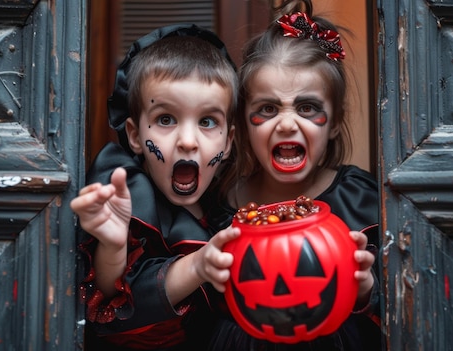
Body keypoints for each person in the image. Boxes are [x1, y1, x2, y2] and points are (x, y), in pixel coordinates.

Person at [209, 0, 383, 349]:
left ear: (334, 123)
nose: (287, 124)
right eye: (268, 109)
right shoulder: (216, 205)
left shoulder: (360, 201)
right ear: (245, 123)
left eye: (306, 108)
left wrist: (367, 290)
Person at [71, 24, 242, 350]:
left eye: (207, 122)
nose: (188, 141)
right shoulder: (128, 198)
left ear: (229, 140)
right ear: (135, 135)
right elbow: (110, 297)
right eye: (166, 119)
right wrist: (113, 244)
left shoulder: (224, 207)